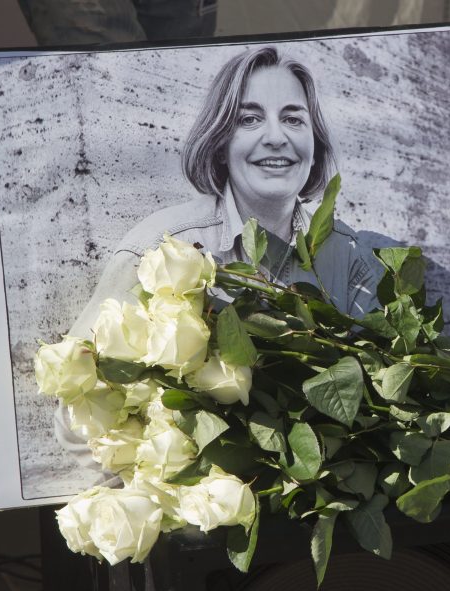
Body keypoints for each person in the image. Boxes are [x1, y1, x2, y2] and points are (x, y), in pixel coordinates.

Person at [58, 46, 380, 474]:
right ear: (220, 140)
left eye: (293, 118)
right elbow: (75, 410)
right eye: (249, 119)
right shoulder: (161, 252)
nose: (276, 137)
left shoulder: (352, 257)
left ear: (314, 141)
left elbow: (378, 405)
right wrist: (171, 496)